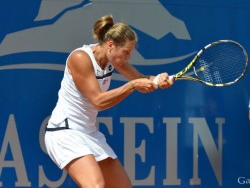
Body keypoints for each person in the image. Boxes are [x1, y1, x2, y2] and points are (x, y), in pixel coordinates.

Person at [45, 14, 174, 188]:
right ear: (111, 45)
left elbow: (141, 78)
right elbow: (98, 101)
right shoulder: (80, 58)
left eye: (130, 54)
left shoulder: (113, 59)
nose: (127, 58)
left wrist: (159, 80)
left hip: (88, 132)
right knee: (95, 186)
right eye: (126, 52)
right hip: (64, 131)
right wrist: (132, 86)